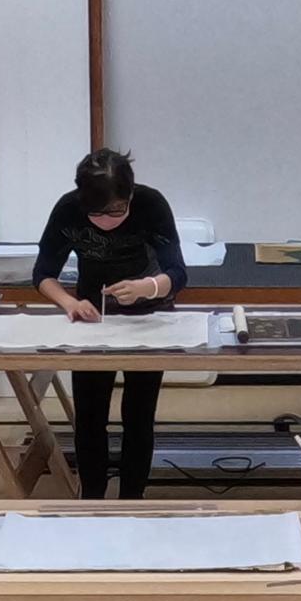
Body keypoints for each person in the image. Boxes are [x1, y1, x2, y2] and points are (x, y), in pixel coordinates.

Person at [30, 148, 186, 499]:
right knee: (89, 415)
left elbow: (177, 272)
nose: (106, 220)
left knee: (139, 414)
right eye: (96, 213)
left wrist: (148, 287)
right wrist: (70, 303)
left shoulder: (151, 204)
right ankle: (92, 500)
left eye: (116, 210)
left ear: (130, 196)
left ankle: (132, 499)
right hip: (93, 319)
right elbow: (43, 274)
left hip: (148, 318)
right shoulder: (69, 210)